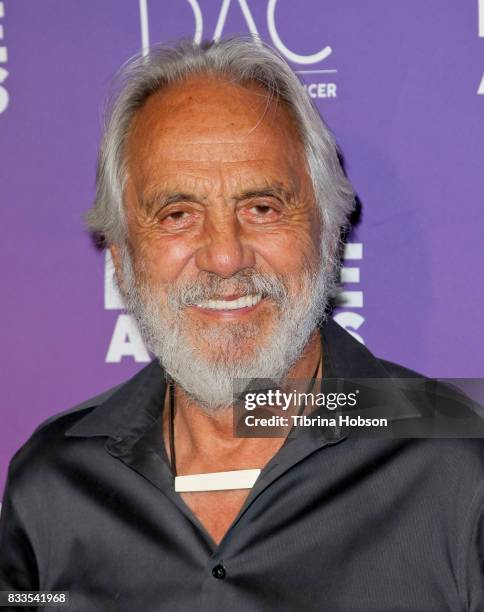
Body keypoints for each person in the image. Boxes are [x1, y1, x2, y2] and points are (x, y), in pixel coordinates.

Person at [0, 37, 483, 612]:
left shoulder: (460, 470)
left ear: (328, 237)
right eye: (178, 215)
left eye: (262, 208)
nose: (225, 257)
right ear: (122, 261)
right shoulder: (54, 484)